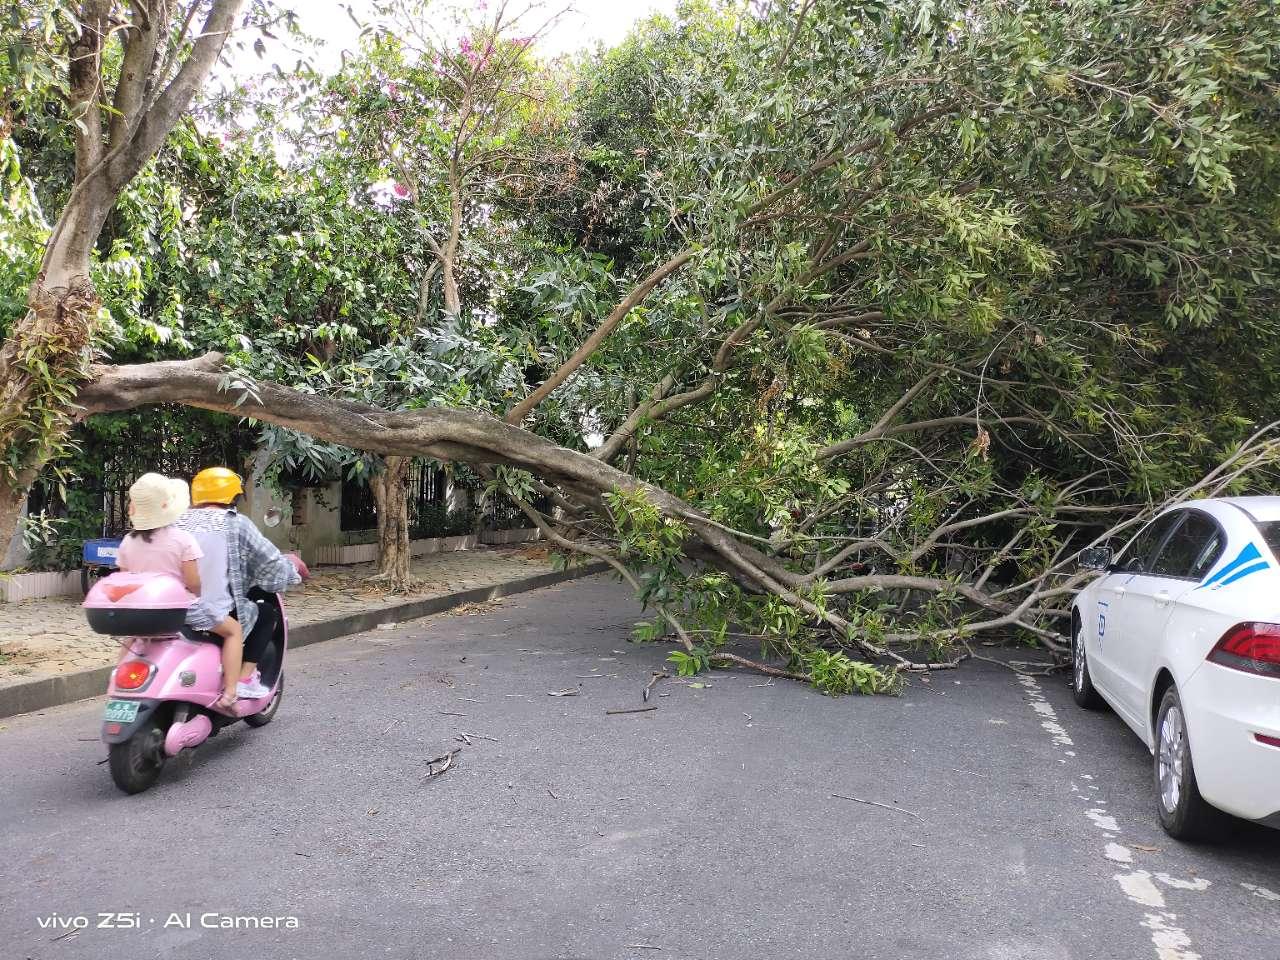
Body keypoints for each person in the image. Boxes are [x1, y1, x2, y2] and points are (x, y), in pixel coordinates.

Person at [174, 467, 306, 702]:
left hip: (172, 610)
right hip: (212, 612)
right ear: (233, 498)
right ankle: (244, 680)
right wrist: (293, 567)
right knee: (266, 613)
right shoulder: (236, 524)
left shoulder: (176, 522)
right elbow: (271, 563)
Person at [115, 473, 245, 710]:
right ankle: (231, 692)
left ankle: (115, 687)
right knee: (233, 631)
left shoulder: (128, 542)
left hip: (141, 611)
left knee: (131, 639)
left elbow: (125, 577)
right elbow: (194, 583)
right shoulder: (181, 539)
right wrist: (198, 594)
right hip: (177, 610)